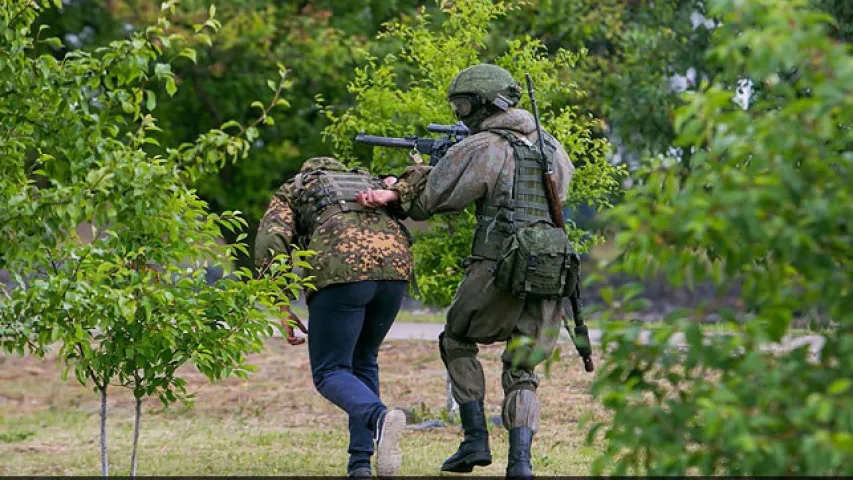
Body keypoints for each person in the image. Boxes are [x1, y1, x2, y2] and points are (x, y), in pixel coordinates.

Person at [356, 64, 574, 477]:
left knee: (456, 339)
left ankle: (474, 439)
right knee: (523, 368)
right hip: (551, 269)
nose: (460, 113)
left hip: (497, 265)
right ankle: (521, 465)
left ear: (484, 103)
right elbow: (559, 193)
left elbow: (431, 200)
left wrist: (407, 181)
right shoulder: (551, 146)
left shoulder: (485, 146)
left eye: (462, 104)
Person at [254, 157, 412, 477]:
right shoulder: (369, 180)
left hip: (343, 271)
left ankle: (378, 417)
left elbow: (272, 241)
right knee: (363, 361)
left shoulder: (296, 188)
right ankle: (359, 464)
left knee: (330, 371)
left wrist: (281, 305)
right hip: (396, 271)